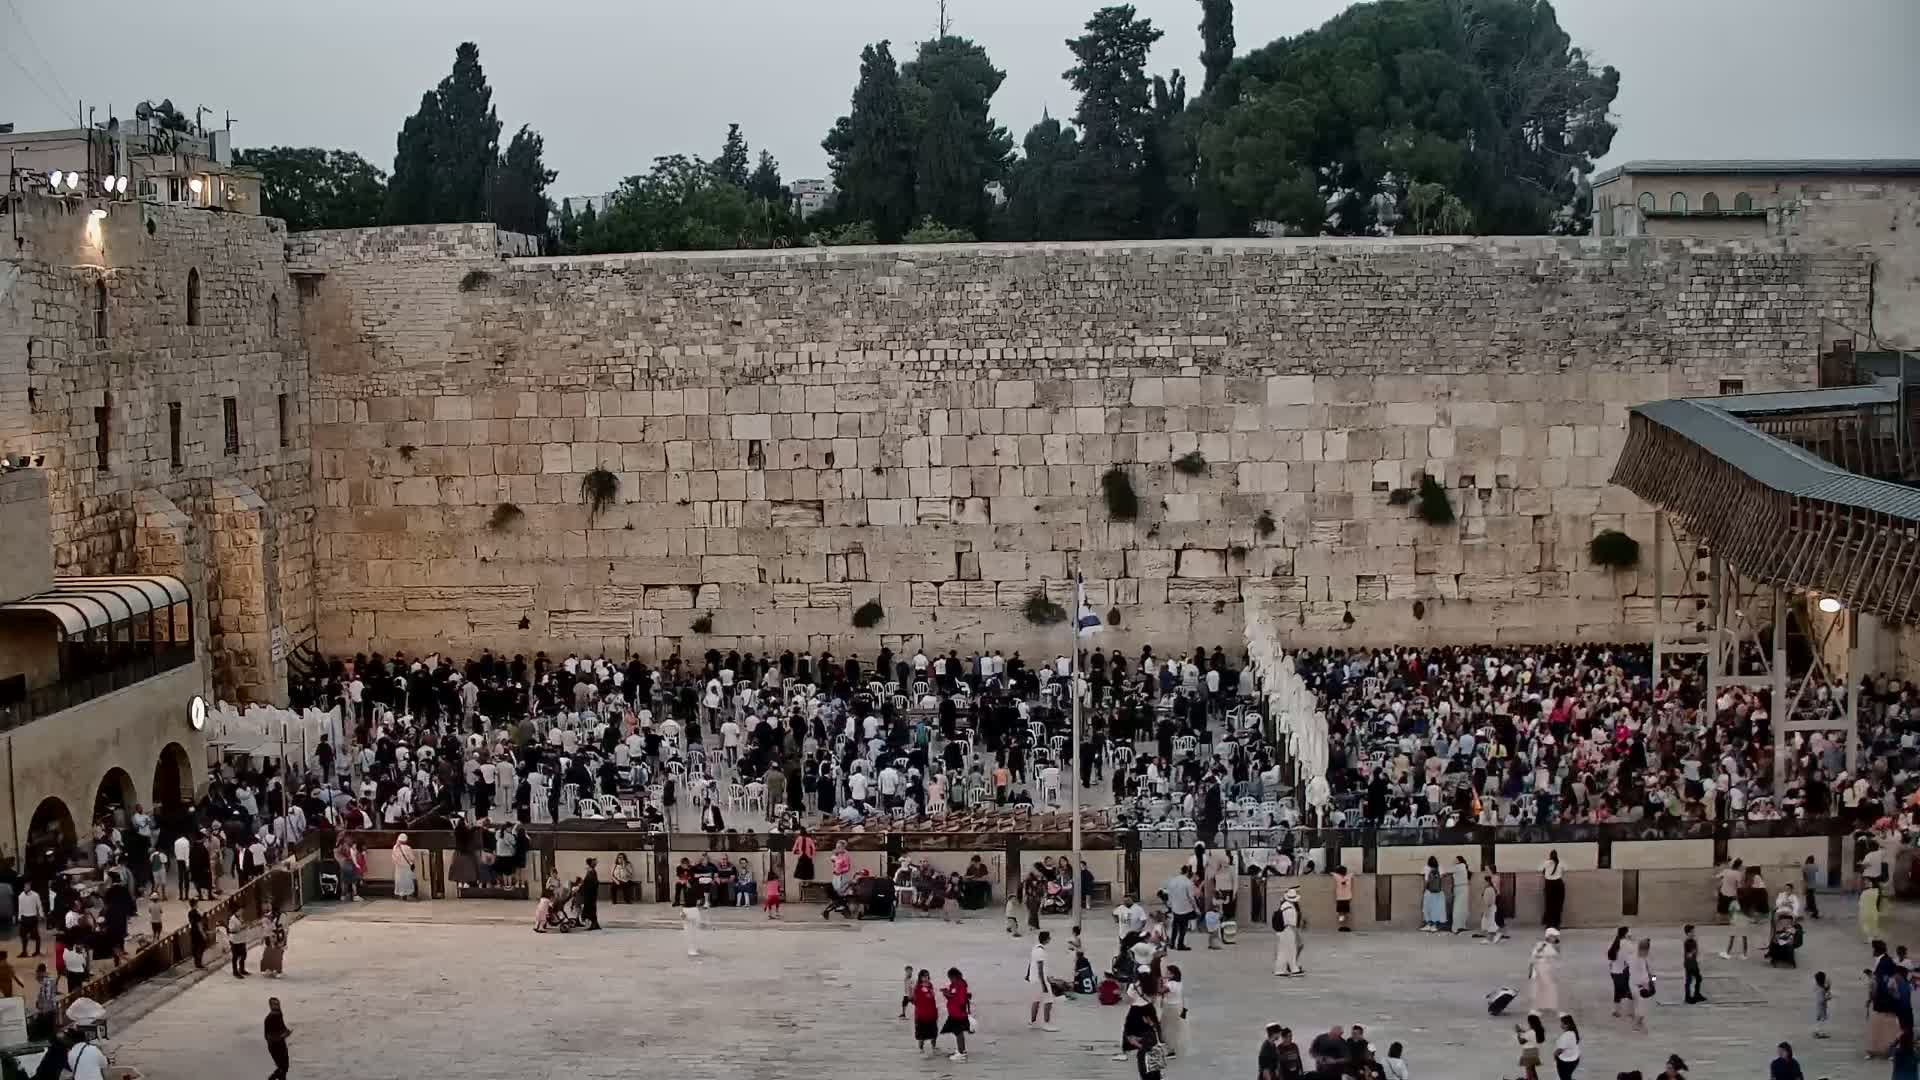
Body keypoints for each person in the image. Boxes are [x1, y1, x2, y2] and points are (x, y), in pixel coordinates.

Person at [1028, 929, 1059, 1030]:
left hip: (1033, 979)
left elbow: (1031, 964)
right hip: (1040, 980)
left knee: (1036, 1000)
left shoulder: (1035, 949)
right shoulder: (1041, 952)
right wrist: (1044, 984)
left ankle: (1032, 1022)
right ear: (1046, 940)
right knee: (1049, 1000)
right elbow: (1040, 968)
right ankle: (1046, 1023)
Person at [941, 967, 972, 1063]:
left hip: (959, 1013)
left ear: (955, 976)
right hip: (953, 1012)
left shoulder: (961, 985)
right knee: (956, 1032)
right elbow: (953, 997)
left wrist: (950, 995)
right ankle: (961, 1050)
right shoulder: (953, 985)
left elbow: (961, 1000)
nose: (950, 979)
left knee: (958, 1032)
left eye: (951, 977)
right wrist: (946, 994)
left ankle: (961, 1053)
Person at [1272, 886, 1303, 977]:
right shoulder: (1290, 909)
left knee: (1282, 951)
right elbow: (1292, 925)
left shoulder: (1284, 905)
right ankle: (1294, 969)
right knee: (1291, 950)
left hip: (1281, 931)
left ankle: (1279, 970)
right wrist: (1298, 937)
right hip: (1288, 931)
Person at [1529, 928, 1560, 1015]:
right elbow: (1534, 957)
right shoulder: (1542, 945)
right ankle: (1534, 1009)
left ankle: (1545, 1005)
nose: (1556, 938)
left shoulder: (1552, 946)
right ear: (1548, 937)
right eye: (1554, 936)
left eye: (1556, 937)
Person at [1625, 937, 1653, 1034]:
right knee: (1640, 1005)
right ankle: (1636, 1024)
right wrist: (1648, 983)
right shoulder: (1639, 960)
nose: (1647, 954)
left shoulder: (1633, 956)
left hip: (1633, 983)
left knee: (1639, 1005)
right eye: (1646, 951)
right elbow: (1644, 975)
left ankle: (1638, 1021)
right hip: (1637, 985)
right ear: (1643, 950)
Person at [1159, 963, 1187, 1058]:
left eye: (1168, 972)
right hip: (1176, 1006)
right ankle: (1168, 1047)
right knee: (1168, 1028)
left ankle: (1171, 1051)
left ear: (1172, 974)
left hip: (1170, 1008)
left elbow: (1160, 991)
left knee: (1168, 1029)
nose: (1165, 973)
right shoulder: (1179, 983)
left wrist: (1159, 982)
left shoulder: (1171, 984)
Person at [911, 969, 941, 1056]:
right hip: (921, 1014)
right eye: (924, 976)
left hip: (932, 1013)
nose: (926, 978)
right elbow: (915, 1001)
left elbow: (932, 999)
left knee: (934, 1033)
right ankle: (921, 1049)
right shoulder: (917, 988)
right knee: (921, 1035)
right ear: (920, 977)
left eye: (927, 976)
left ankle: (934, 1047)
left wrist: (936, 1012)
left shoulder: (930, 985)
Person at [1607, 927, 1632, 1018]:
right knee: (1630, 991)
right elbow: (1630, 959)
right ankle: (1630, 1012)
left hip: (1614, 972)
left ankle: (1616, 1010)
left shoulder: (1614, 942)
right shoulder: (1628, 944)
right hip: (1623, 971)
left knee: (1617, 991)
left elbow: (1610, 958)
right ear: (1626, 934)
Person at [265, 997, 292, 1080]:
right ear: (270, 1006)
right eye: (274, 1004)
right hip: (274, 1046)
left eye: (278, 1004)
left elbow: (282, 1026)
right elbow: (268, 1037)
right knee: (282, 1068)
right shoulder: (269, 1019)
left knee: (285, 1067)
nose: (277, 1006)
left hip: (281, 1044)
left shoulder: (279, 1014)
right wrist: (281, 1036)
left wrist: (287, 1031)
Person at [1515, 1012, 1546, 1080]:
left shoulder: (1530, 1032)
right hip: (1535, 1052)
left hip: (1528, 1053)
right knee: (1532, 1070)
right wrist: (1522, 1031)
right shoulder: (1538, 1031)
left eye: (1528, 1022)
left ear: (1531, 1023)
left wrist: (1518, 1033)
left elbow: (1521, 1042)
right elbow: (1529, 1034)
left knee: (1529, 1071)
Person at [1539, 851, 1565, 930]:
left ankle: (1549, 924)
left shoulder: (1546, 863)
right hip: (1559, 885)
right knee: (1558, 906)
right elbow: (1562, 873)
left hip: (1549, 885)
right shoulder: (1561, 864)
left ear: (1550, 856)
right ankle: (1556, 924)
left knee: (1549, 905)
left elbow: (1543, 872)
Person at [259, 906, 286, 978]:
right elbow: (264, 930)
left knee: (278, 955)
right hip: (269, 938)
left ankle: (277, 970)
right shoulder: (265, 919)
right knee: (268, 954)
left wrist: (284, 940)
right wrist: (262, 939)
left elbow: (285, 928)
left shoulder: (282, 916)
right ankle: (269, 968)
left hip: (278, 937)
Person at [1421, 857, 1447, 932]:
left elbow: (1426, 880)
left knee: (1427, 908)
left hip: (1429, 891)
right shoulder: (1440, 867)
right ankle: (1434, 926)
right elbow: (1442, 877)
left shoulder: (1426, 868)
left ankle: (1428, 924)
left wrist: (1424, 889)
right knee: (1436, 909)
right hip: (1438, 892)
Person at [1681, 924, 1704, 1003]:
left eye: (1694, 931)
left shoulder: (1693, 941)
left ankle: (1696, 994)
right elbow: (1688, 955)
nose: (1694, 933)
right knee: (1689, 981)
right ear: (1688, 933)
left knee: (1698, 978)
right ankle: (1688, 997)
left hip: (1694, 964)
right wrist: (1693, 951)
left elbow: (1695, 953)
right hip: (1689, 965)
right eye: (1692, 932)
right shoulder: (1687, 942)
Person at [392, 834, 418, 902]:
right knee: (407, 881)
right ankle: (408, 895)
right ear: (406, 840)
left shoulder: (395, 847)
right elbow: (412, 858)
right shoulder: (407, 848)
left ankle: (402, 895)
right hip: (406, 868)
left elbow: (394, 858)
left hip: (398, 868)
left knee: (400, 881)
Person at [1553, 1015, 1580, 1079]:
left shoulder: (1566, 1035)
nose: (1561, 1024)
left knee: (1564, 1078)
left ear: (1567, 1025)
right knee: (1567, 1077)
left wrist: (1554, 1055)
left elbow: (1560, 1050)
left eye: (1562, 1022)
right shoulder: (1573, 1033)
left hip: (1566, 1062)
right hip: (1574, 1060)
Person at [1450, 855, 1472, 934]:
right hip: (1463, 888)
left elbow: (1449, 870)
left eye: (1456, 859)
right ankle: (1462, 925)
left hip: (1460, 888)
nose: (1454, 861)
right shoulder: (1463, 866)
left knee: (1457, 907)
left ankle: (1456, 927)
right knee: (1463, 907)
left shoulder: (1459, 866)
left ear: (1459, 860)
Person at [1481, 871, 1505, 942]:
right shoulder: (1490, 888)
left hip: (1490, 908)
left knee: (1489, 924)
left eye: (1484, 882)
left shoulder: (1488, 889)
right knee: (1490, 924)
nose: (1483, 883)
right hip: (1491, 908)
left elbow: (1489, 901)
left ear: (1487, 882)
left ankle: (1492, 937)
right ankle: (1493, 936)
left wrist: (1486, 910)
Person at [580, 858, 601, 930]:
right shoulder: (591, 871)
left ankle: (593, 924)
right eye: (593, 862)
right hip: (590, 894)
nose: (595, 864)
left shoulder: (591, 871)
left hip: (590, 894)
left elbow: (589, 883)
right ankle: (594, 923)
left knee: (590, 909)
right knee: (591, 908)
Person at [1332, 865, 1354, 932]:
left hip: (1340, 898)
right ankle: (1346, 926)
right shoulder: (1349, 877)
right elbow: (1353, 873)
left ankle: (1342, 926)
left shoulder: (1337, 877)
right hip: (1347, 898)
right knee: (1346, 912)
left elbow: (1332, 873)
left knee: (1341, 913)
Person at [187, 900, 207, 969]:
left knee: (195, 948)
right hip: (198, 933)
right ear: (195, 904)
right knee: (201, 948)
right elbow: (199, 925)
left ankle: (196, 962)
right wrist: (203, 934)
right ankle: (199, 963)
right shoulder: (196, 914)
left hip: (193, 932)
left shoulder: (189, 913)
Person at [1812, 970, 1830, 1039]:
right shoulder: (1821, 989)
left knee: (1819, 1019)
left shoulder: (1818, 987)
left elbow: (1823, 988)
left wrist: (1826, 988)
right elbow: (1822, 1000)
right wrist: (1827, 998)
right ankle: (1820, 1033)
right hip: (1822, 1006)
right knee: (1822, 1019)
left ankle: (1817, 1031)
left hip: (1818, 1005)